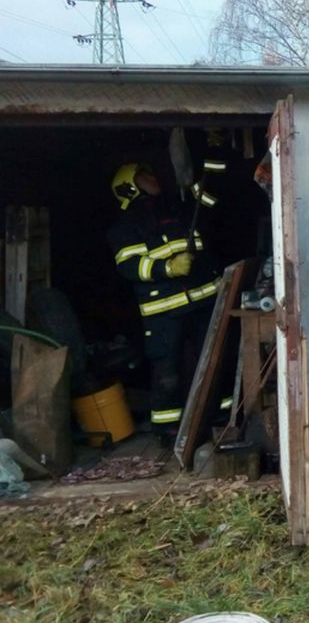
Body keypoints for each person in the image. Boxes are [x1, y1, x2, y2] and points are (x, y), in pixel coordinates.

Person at [107, 163, 223, 443]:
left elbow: (211, 203)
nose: (153, 177)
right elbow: (129, 265)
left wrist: (209, 165)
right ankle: (168, 430)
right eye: (144, 176)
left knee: (215, 360)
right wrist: (167, 268)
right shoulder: (125, 227)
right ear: (129, 187)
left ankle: (221, 417)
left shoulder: (177, 207)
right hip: (164, 311)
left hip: (202, 301)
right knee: (167, 372)